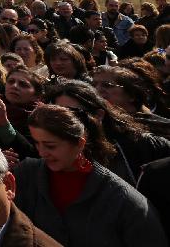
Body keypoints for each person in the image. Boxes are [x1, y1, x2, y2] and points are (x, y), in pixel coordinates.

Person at [14, 104, 166, 246]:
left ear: (80, 144)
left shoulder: (125, 201)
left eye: (50, 146)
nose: (42, 153)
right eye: (37, 143)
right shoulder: (25, 175)